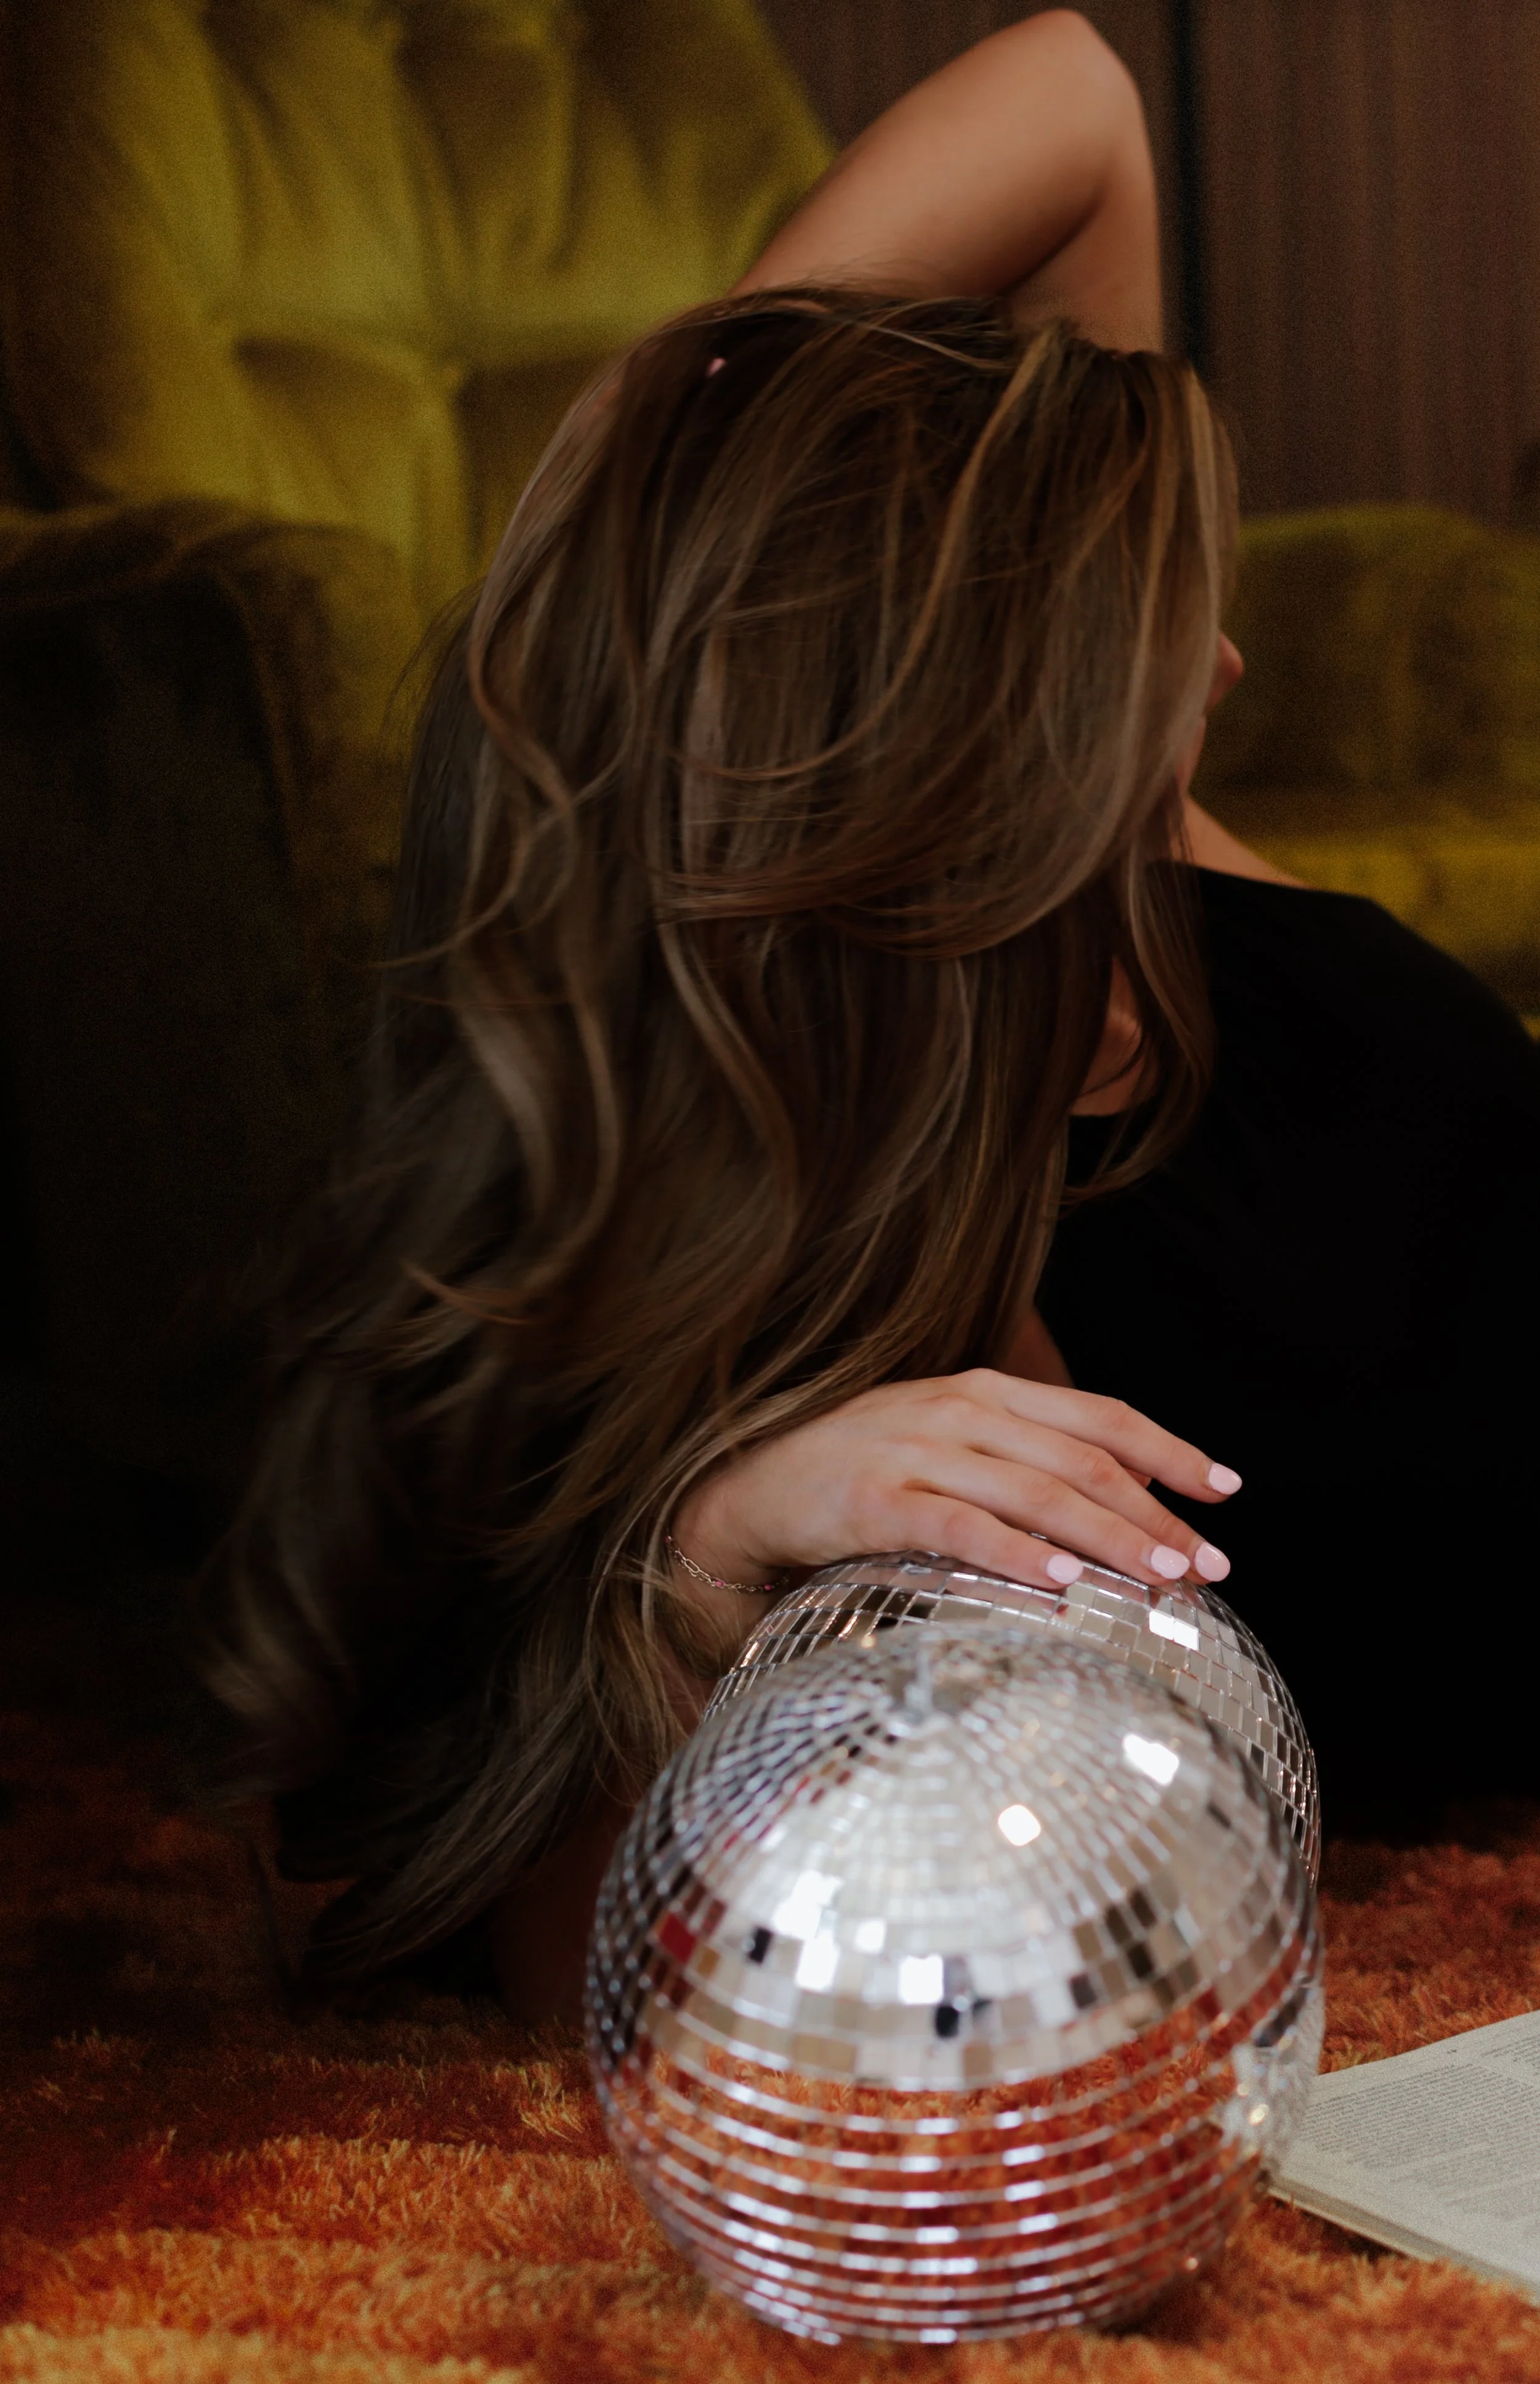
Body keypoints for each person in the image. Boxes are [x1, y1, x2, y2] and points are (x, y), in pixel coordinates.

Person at [207, 12, 1540, 2022]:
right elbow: (563, 1940)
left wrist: (632, 500)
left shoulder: (1142, 888)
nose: (1233, 666)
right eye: (1147, 656)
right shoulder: (802, 1280)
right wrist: (708, 1557)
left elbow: (1082, 103)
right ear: (963, 791)